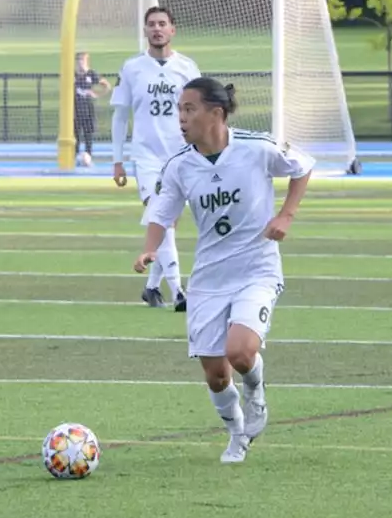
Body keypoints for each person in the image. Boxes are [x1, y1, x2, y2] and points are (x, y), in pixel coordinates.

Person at [133, 77, 314, 464]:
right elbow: (161, 214)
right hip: (210, 279)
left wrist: (286, 215)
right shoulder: (180, 166)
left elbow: (303, 166)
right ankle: (236, 436)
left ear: (216, 113)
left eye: (188, 109)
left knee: (241, 354)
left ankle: (256, 391)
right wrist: (149, 250)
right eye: (179, 110)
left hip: (257, 269)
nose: (180, 118)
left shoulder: (256, 147)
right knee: (216, 374)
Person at [111, 6, 201, 311]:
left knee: (167, 224)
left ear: (173, 30)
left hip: (181, 156)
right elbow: (120, 115)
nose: (157, 29)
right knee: (161, 218)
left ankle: (152, 288)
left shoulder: (188, 68)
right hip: (147, 158)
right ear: (145, 31)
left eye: (162, 24)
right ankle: (179, 292)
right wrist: (118, 159)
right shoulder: (132, 67)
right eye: (151, 24)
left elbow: (200, 114)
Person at [73, 52, 111, 167]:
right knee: (75, 135)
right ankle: (75, 157)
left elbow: (106, 86)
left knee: (88, 134)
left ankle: (88, 157)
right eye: (79, 60)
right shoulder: (73, 75)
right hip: (75, 110)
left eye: (83, 60)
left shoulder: (91, 74)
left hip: (88, 109)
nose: (80, 63)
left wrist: (97, 94)